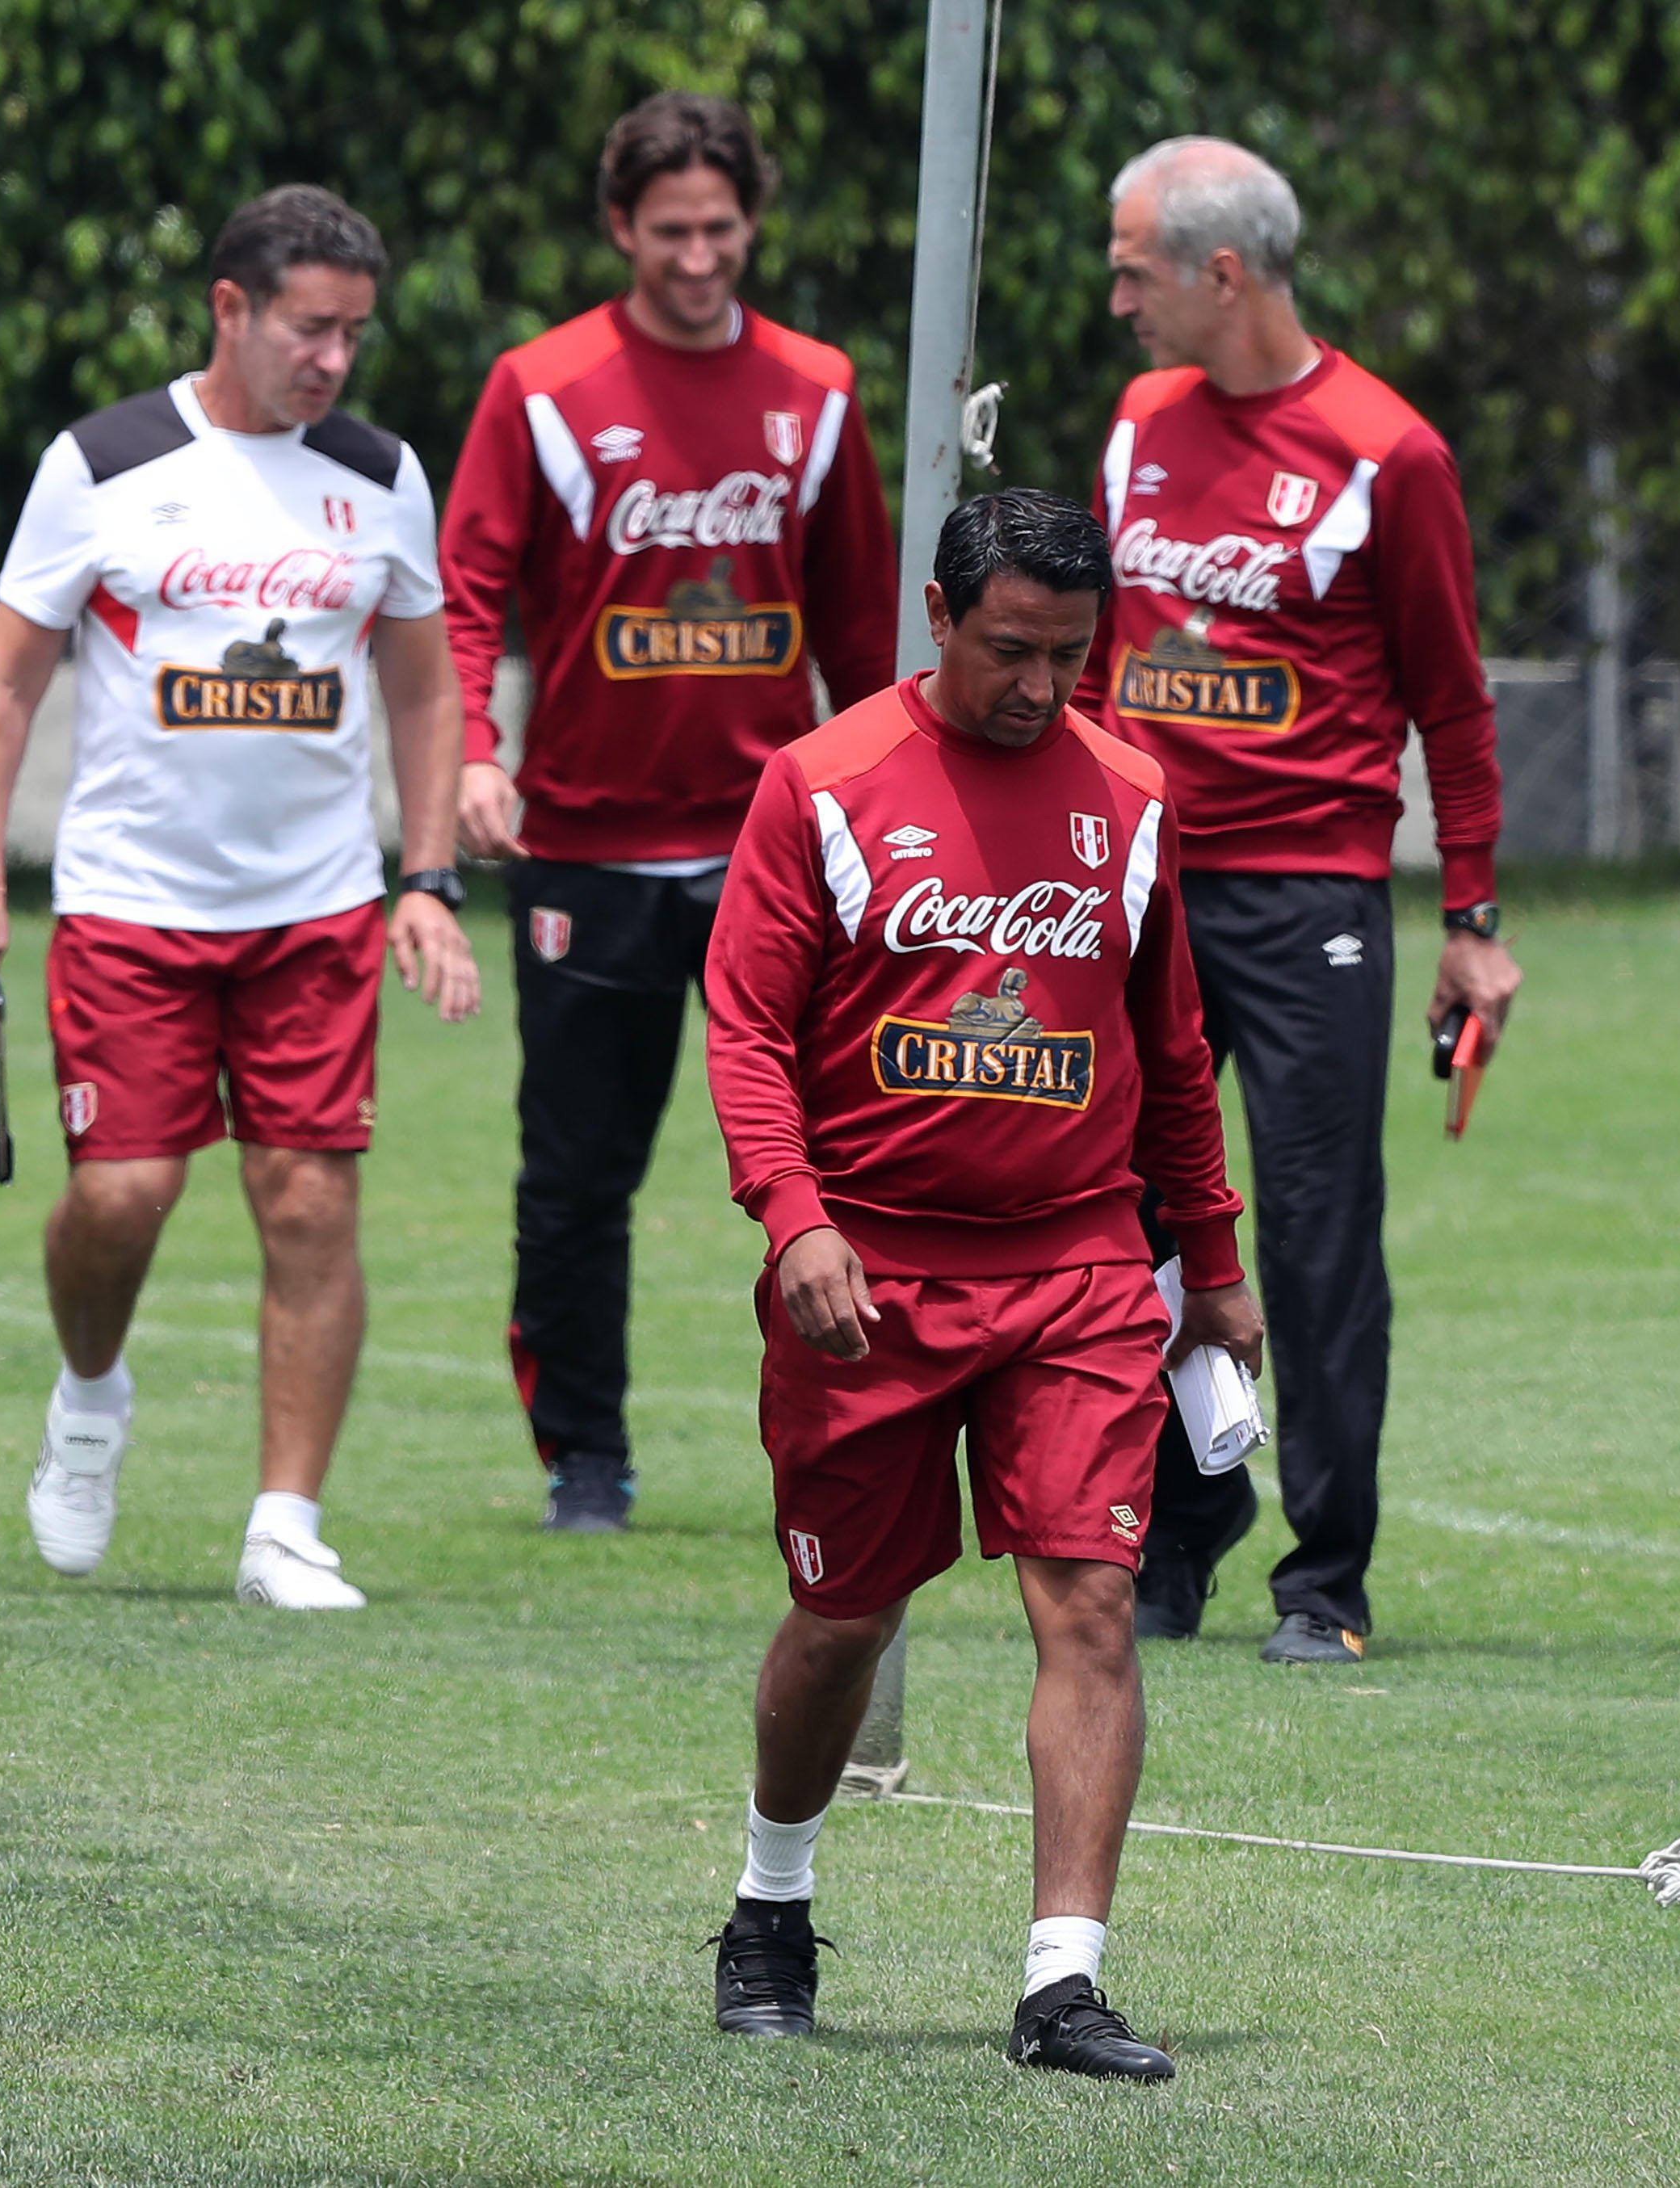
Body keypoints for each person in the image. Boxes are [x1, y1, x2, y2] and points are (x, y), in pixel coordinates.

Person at [701, 489, 1264, 2079]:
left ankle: (1060, 1981)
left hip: (1077, 1265)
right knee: (842, 1614)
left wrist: (1210, 1264)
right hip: (863, 1276)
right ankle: (770, 1895)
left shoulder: (1131, 792)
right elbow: (743, 1028)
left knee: (1089, 1598)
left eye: (1070, 656)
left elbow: (1170, 1050)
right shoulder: (816, 785)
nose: (1038, 686)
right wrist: (792, 1214)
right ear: (936, 616)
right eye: (1008, 649)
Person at [0, 186, 480, 1611]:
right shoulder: (103, 462)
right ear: (230, 308)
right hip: (130, 903)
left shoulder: (382, 475)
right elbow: (3, 683)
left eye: (356, 333)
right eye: (311, 328)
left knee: (308, 1205)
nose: (335, 361)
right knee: (122, 1193)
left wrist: (426, 874)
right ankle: (91, 1395)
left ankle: (284, 1525)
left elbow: (424, 682)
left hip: (315, 911)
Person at [1081, 138, 1521, 1665]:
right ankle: (1176, 1533)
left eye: (1134, 264)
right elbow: (1096, 658)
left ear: (1221, 272)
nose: (1115, 293)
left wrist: (1471, 917)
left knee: (1318, 1234)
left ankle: (1324, 1581)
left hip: (1309, 896)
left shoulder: (1388, 454)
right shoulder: (1137, 425)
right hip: (1136, 890)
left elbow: (1454, 707)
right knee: (1123, 1225)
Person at [439, 92, 896, 1531]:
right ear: (621, 228)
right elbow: (465, 590)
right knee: (579, 1170)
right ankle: (585, 1453)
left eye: (723, 228)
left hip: (776, 846)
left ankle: (862, 1418)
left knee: (847, 1151)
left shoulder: (816, 389)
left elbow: (866, 621)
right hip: (587, 842)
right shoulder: (543, 386)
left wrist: (899, 796)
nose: (701, 258)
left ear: (752, 222)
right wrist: (472, 748)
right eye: (671, 232)